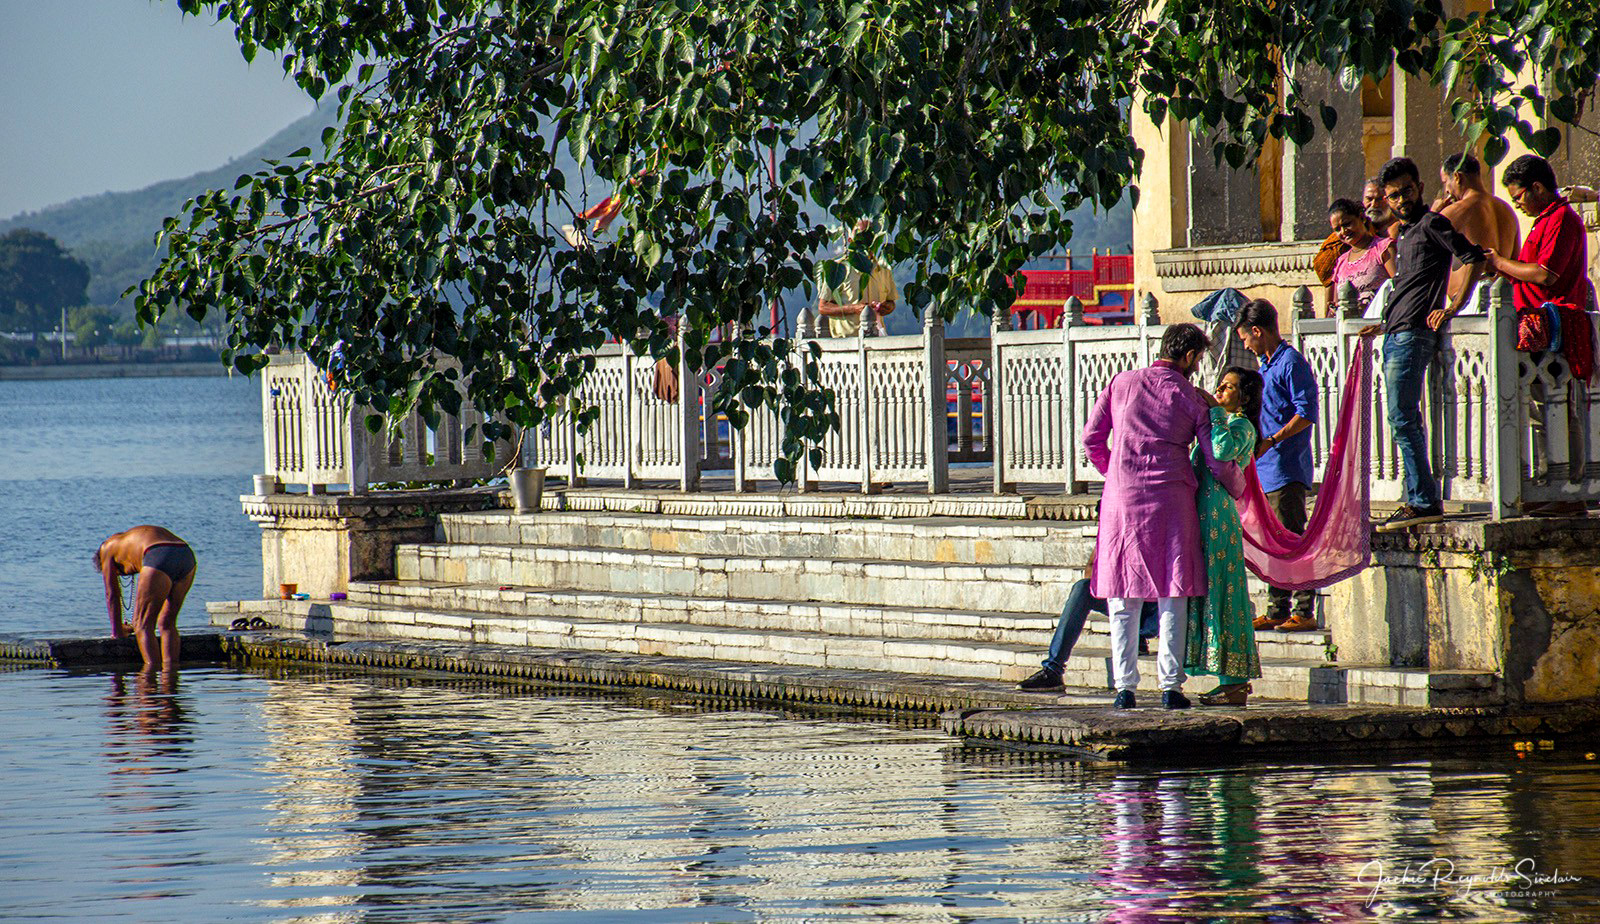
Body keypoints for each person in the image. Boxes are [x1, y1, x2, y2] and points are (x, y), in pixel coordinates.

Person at [1082, 323, 1247, 710]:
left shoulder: (1121, 383)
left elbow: (1091, 439)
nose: (1198, 366)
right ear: (1189, 357)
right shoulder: (1191, 397)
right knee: (1173, 592)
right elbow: (1217, 459)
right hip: (1172, 500)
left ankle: (1125, 689)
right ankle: (1171, 688)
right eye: (1199, 359)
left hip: (1122, 501)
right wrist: (1240, 488)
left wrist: (1116, 473)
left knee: (1123, 595)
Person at [1361, 156, 1487, 532]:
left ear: (1418, 187)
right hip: (1396, 331)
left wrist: (1454, 306)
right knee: (1402, 418)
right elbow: (1410, 286)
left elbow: (1474, 258)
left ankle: (1423, 501)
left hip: (1414, 333)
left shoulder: (1432, 223)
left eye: (1407, 191)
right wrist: (1384, 323)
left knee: (1402, 418)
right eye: (1394, 196)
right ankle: (1420, 497)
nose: (1401, 200)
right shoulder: (1405, 232)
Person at [1186, 367, 1264, 706]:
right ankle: (1227, 680)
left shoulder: (1241, 427)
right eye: (1220, 385)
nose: (1219, 390)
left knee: (1224, 593)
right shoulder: (1223, 422)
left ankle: (1234, 681)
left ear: (1243, 398)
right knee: (1210, 591)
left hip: (1218, 517)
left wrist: (1216, 413)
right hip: (1203, 515)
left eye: (1228, 387)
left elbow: (1221, 452)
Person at [1016, 546, 1159, 693]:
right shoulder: (1116, 532)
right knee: (1083, 588)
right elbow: (1091, 566)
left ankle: (1138, 637)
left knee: (1170, 602)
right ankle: (1053, 670)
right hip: (1123, 599)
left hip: (1157, 608)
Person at [95, 526, 196, 670]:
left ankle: (150, 675)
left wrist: (117, 631)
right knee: (167, 623)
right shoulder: (126, 540)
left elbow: (111, 594)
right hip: (186, 554)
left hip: (157, 553)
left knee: (142, 625)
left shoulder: (106, 548)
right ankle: (171, 674)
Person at [816, 219, 898, 337]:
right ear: (850, 240)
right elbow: (823, 307)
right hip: (846, 341)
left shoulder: (884, 269)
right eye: (859, 235)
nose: (864, 240)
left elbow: (891, 303)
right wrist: (853, 309)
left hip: (876, 338)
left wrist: (886, 308)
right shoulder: (838, 269)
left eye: (869, 235)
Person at [1326, 198, 1395, 314]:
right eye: (1337, 229)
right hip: (1349, 324)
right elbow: (1337, 303)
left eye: (1347, 224)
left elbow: (1400, 286)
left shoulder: (1383, 248)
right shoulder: (1341, 262)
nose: (1343, 231)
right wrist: (1334, 310)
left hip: (1380, 321)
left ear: (1362, 218)